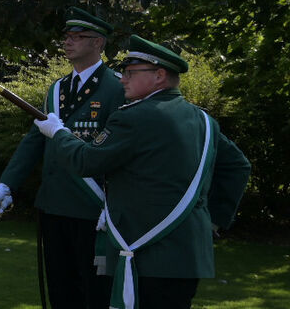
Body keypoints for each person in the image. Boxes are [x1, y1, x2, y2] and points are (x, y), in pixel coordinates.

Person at [33, 34, 251, 309]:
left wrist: (59, 133)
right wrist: (213, 221)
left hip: (144, 252)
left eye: (131, 73)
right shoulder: (203, 120)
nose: (123, 78)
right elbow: (238, 166)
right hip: (187, 254)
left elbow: (86, 161)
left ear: (159, 76)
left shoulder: (133, 117)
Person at [0, 7, 124, 308]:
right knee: (60, 289)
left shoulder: (116, 88)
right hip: (54, 203)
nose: (68, 42)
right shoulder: (57, 89)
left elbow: (119, 150)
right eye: (67, 37)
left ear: (98, 44)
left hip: (91, 208)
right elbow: (35, 138)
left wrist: (115, 200)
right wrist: (7, 182)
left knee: (94, 290)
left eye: (78, 37)